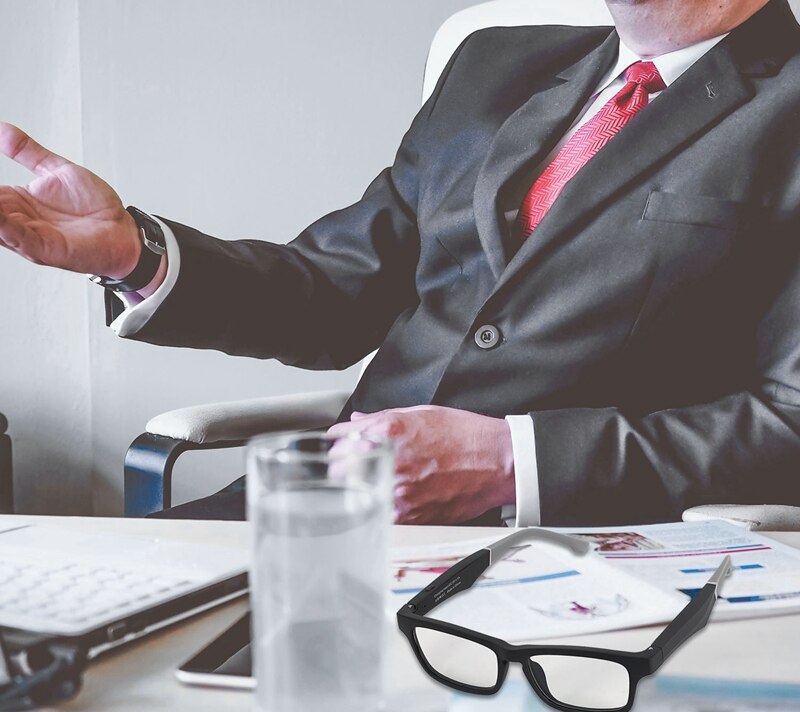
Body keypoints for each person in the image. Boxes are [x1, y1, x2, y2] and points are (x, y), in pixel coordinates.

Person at [0, 0, 798, 526]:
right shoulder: (495, 64)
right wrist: (134, 254)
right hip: (325, 509)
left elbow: (787, 423)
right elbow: (334, 292)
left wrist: (510, 463)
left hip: (578, 550)